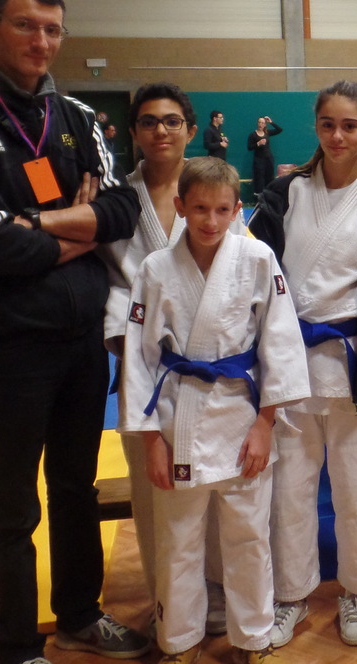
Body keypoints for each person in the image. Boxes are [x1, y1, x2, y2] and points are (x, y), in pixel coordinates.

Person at [0, 0, 148, 664]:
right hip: (9, 344)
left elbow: (121, 212)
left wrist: (40, 222)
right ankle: (17, 647)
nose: (41, 41)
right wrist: (78, 228)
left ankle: (79, 615)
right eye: (25, 25)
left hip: (81, 340)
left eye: (52, 29)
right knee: (15, 500)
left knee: (76, 488)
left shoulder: (76, 118)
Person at [120, 156, 311, 664]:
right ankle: (179, 641)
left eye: (222, 209)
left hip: (243, 419)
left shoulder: (258, 258)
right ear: (180, 206)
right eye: (200, 208)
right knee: (178, 541)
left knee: (250, 539)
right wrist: (151, 441)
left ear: (236, 208)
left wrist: (266, 424)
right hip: (177, 422)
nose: (210, 220)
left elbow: (281, 344)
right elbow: (140, 358)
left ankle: (254, 638)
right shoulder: (155, 269)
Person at [249, 81, 357, 650]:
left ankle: (356, 592)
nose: (338, 136)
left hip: (352, 365)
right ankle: (291, 596)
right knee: (289, 489)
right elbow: (254, 274)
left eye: (350, 126)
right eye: (328, 125)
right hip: (289, 362)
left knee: (356, 488)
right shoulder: (285, 192)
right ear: (316, 127)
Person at [100, 82, 245, 637]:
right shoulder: (118, 198)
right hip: (145, 364)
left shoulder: (213, 189)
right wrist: (124, 337)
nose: (160, 130)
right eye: (148, 121)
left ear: (190, 128)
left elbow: (240, 274)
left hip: (213, 365)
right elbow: (109, 281)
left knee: (217, 482)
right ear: (133, 132)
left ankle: (218, 590)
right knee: (153, 486)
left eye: (171, 121)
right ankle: (168, 597)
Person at [248, 115, 283, 199]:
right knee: (259, 178)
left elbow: (279, 130)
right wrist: (258, 143)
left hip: (268, 159)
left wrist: (271, 122)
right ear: (257, 123)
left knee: (270, 177)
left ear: (265, 124)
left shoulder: (267, 132)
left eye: (263, 123)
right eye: (259, 122)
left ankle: (269, 196)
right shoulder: (252, 135)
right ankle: (259, 198)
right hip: (259, 160)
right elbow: (249, 147)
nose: (260, 124)